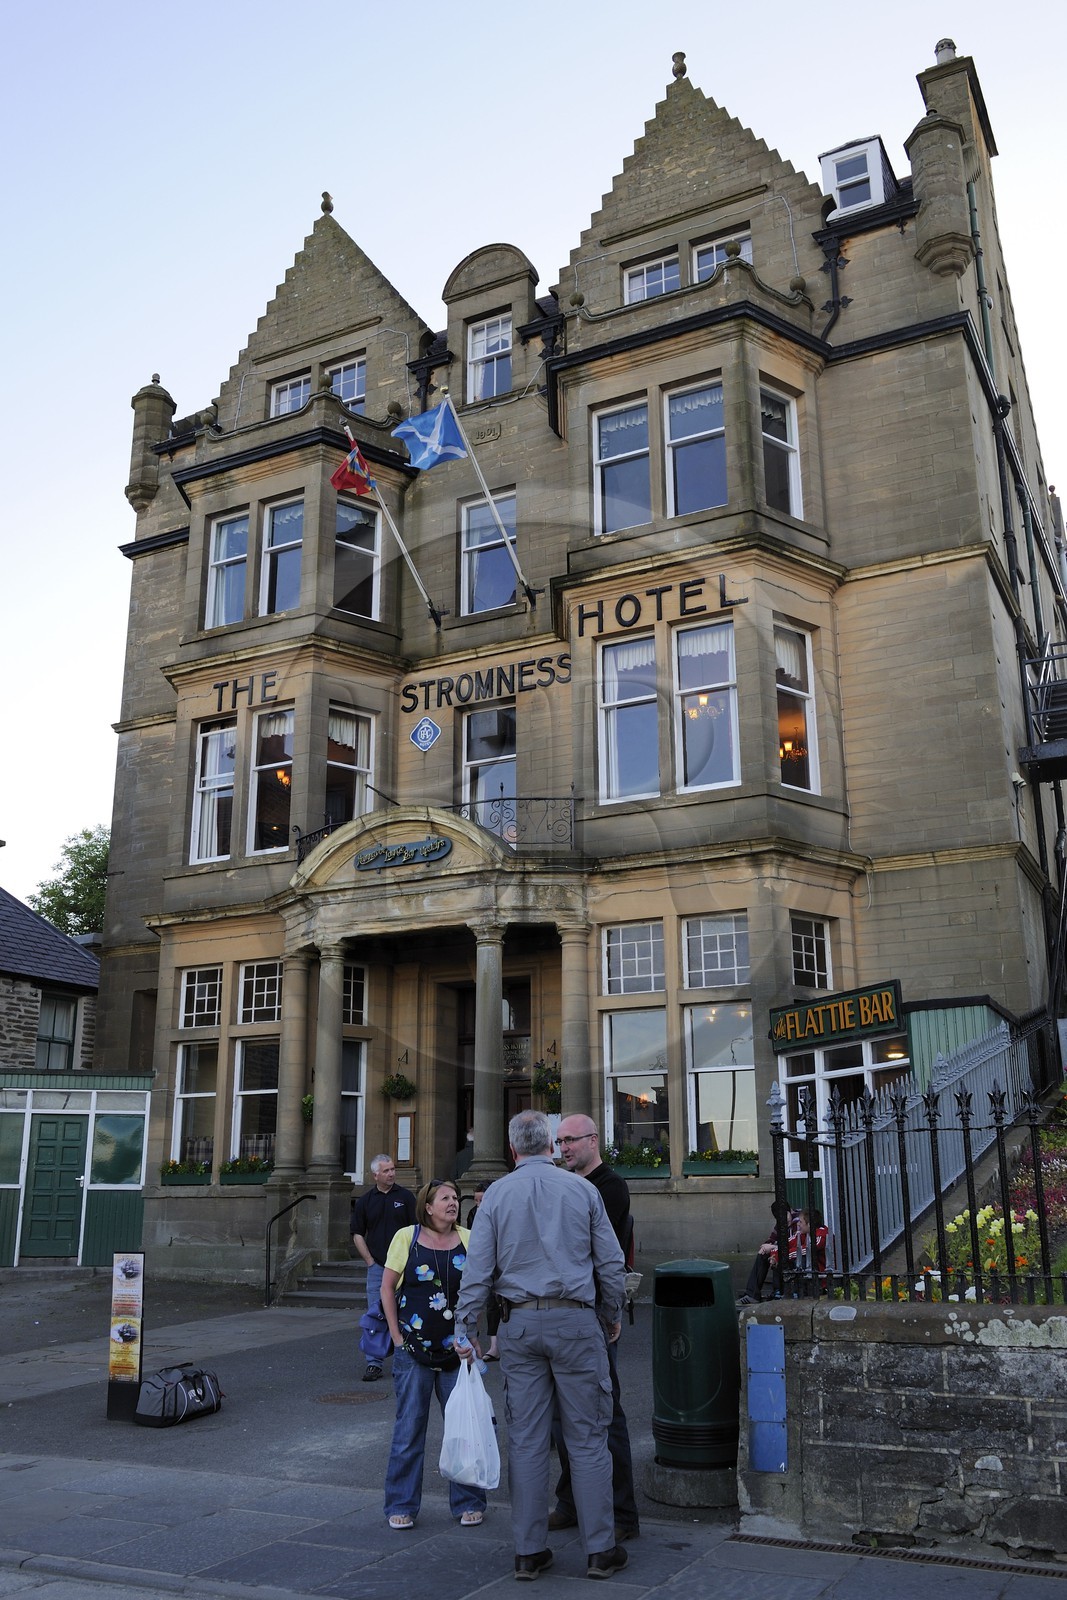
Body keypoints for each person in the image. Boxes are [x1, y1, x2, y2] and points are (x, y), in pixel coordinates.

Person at [454, 1109, 629, 1582]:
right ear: (550, 1146)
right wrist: (611, 1315)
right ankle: (600, 1550)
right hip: (575, 1322)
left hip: (520, 1327)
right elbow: (611, 1264)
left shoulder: (494, 1198)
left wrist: (464, 1328)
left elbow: (477, 1271)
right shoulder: (583, 1190)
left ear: (513, 1149)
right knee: (589, 1438)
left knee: (528, 1441)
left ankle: (528, 1552)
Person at [379, 1178, 488, 1530]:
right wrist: (396, 1337)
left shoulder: (469, 1240)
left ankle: (469, 1502)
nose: (453, 1203)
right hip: (413, 1352)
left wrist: (475, 1337)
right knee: (409, 1430)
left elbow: (480, 1291)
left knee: (463, 1429)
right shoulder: (406, 1239)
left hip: (458, 1353)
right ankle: (401, 1504)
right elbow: (386, 1288)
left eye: (456, 1197)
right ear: (428, 1206)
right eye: (445, 1198)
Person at [550, 1114, 639, 1543]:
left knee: (606, 1415)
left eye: (570, 1141)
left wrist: (611, 1311)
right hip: (569, 1313)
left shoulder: (609, 1186)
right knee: (562, 1417)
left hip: (596, 1314)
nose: (563, 1148)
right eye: (559, 1141)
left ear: (593, 1140)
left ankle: (622, 1514)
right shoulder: (570, 1184)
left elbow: (594, 1252)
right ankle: (570, 1501)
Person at [351, 1154, 416, 1379]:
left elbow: (416, 1231)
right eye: (386, 1170)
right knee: (375, 1316)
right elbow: (357, 1233)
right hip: (378, 1267)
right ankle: (374, 1363)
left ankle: (406, 1358)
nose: (391, 1173)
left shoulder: (407, 1197)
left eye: (393, 1169)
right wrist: (369, 1261)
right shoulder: (365, 1201)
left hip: (404, 1268)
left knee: (407, 1313)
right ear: (375, 1174)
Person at [465, 1181, 500, 1360]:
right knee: (490, 1304)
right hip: (484, 1263)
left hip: (499, 1262)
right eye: (476, 1201)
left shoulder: (497, 1212)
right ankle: (493, 1346)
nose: (478, 1205)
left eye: (482, 1200)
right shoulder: (473, 1213)